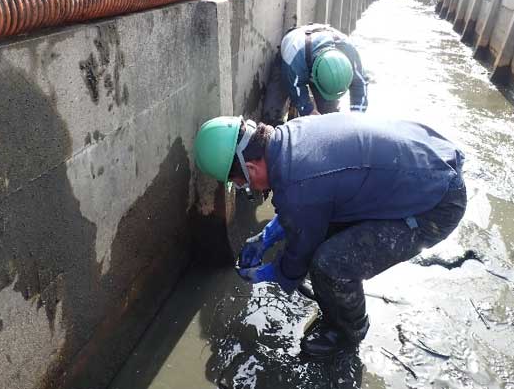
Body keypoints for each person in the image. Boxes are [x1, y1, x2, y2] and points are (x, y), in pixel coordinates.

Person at [194, 113, 467, 359]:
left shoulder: (298, 185)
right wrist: (267, 236)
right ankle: (337, 305)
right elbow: (309, 203)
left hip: (437, 204)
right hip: (432, 157)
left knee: (329, 265)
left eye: (241, 183)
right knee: (320, 236)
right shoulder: (289, 137)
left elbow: (299, 249)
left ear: (251, 169)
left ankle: (349, 332)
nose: (246, 187)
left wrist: (273, 273)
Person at [262, 24, 368, 125]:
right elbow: (295, 90)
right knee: (271, 114)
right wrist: (309, 111)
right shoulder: (294, 59)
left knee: (330, 117)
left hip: (315, 53)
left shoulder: (349, 52)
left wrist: (357, 118)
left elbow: (360, 84)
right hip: (292, 59)